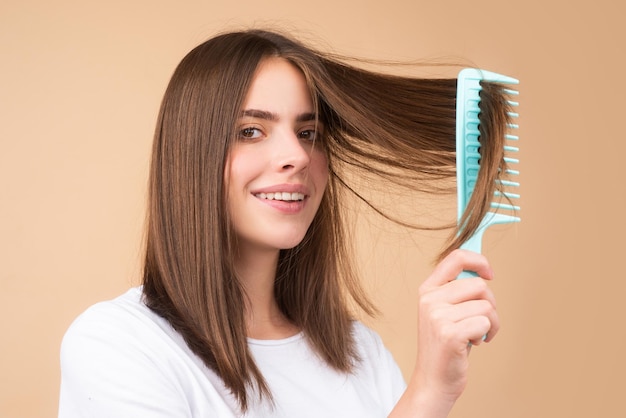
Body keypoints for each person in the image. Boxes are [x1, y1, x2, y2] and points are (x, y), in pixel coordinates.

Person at [59, 29, 510, 417]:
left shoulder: (360, 354)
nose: (296, 156)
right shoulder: (119, 345)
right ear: (189, 156)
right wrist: (426, 396)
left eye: (308, 133)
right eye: (250, 131)